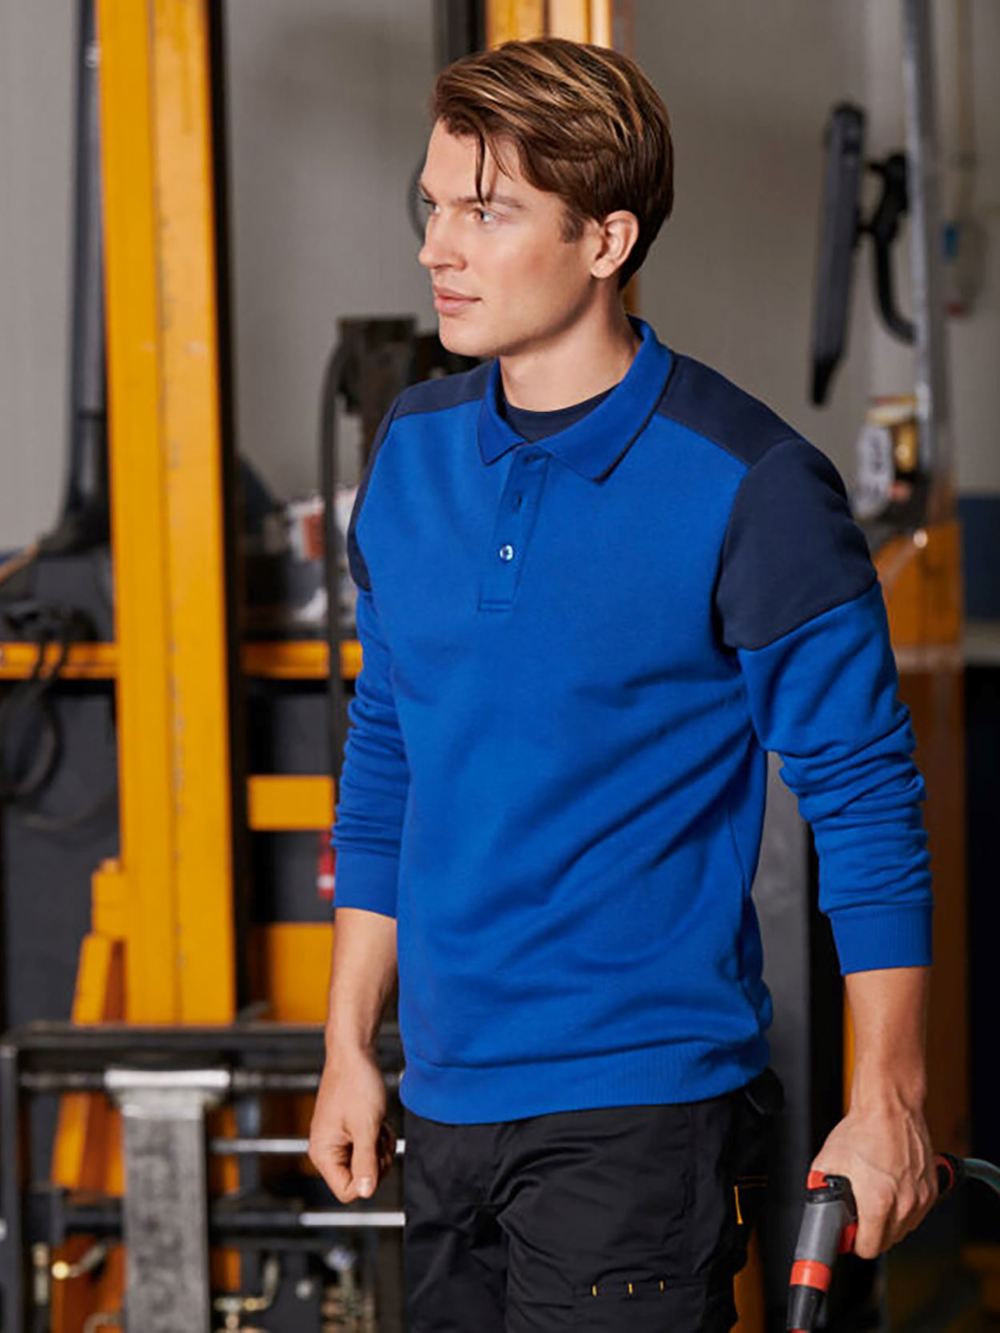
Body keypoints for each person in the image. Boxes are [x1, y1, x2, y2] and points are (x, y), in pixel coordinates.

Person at [309, 37, 936, 1332]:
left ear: (606, 239)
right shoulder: (415, 451)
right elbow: (389, 756)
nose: (437, 247)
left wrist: (889, 1097)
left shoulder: (750, 483)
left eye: (487, 213)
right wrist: (347, 1045)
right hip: (446, 1102)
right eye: (433, 205)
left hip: (639, 1117)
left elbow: (865, 797)